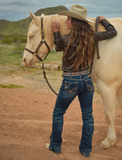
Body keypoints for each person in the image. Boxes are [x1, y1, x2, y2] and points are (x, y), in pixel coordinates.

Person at [46, 4, 117, 157]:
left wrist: (56, 31)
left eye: (69, 19)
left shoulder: (66, 39)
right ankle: (85, 149)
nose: (66, 22)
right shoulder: (92, 36)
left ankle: (55, 145)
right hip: (87, 81)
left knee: (58, 113)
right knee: (88, 117)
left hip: (70, 82)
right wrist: (104, 21)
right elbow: (113, 32)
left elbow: (58, 47)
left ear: (75, 22)